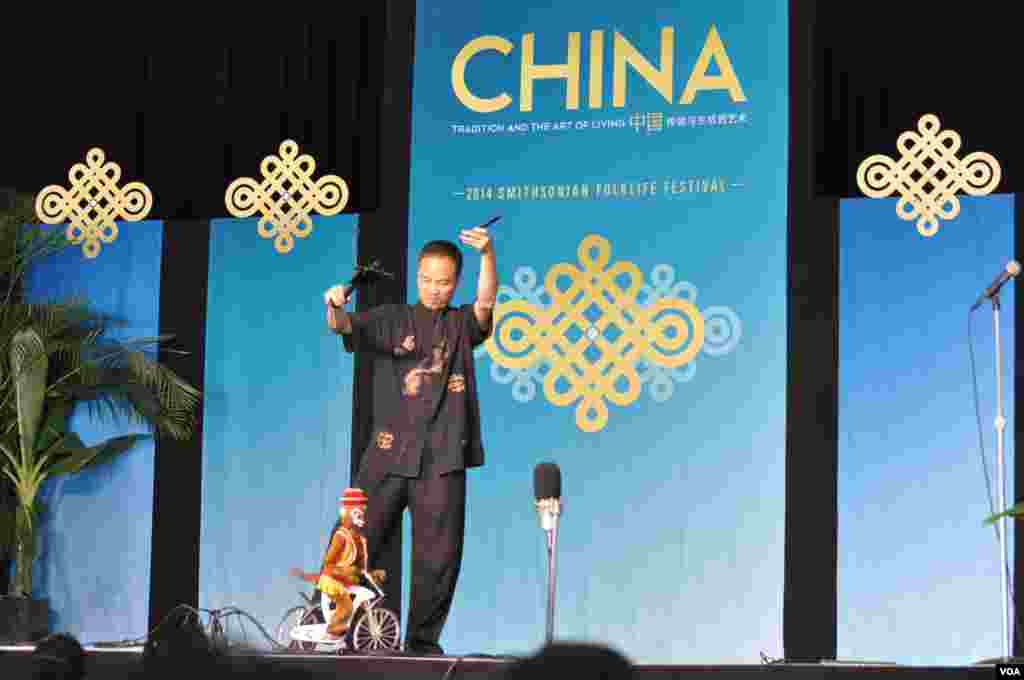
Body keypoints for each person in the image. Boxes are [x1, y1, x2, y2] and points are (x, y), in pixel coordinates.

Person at [322, 225, 497, 655]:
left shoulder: (460, 325)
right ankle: (327, 630)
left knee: (438, 559)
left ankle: (421, 646)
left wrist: (488, 254)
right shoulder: (391, 318)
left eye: (443, 282)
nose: (434, 288)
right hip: (386, 451)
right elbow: (342, 324)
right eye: (427, 279)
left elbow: (486, 303)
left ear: (455, 282)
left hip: (442, 454)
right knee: (352, 539)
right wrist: (333, 303)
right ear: (417, 276)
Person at [290, 487, 387, 640]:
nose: (361, 515)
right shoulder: (341, 537)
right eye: (356, 512)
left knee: (360, 597)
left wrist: (373, 574)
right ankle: (332, 630)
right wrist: (346, 571)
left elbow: (362, 569)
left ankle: (344, 631)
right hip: (332, 580)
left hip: (348, 582)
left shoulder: (361, 540)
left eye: (362, 511)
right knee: (346, 605)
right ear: (346, 513)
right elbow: (328, 564)